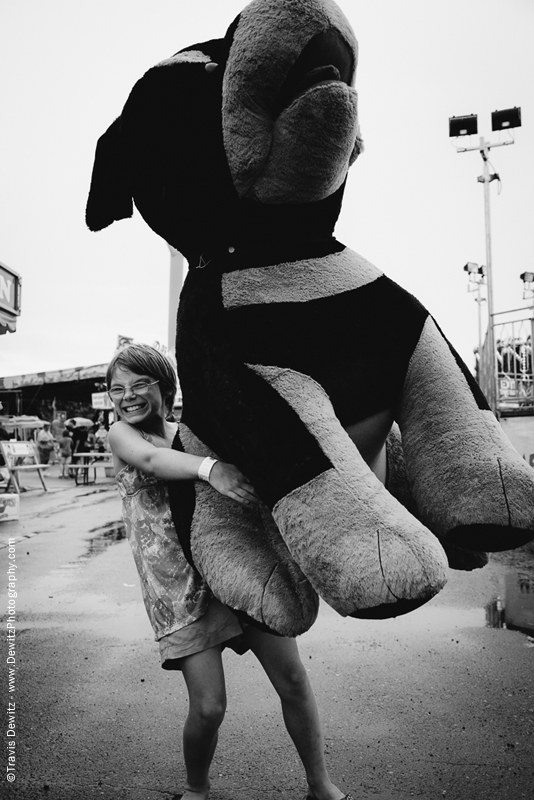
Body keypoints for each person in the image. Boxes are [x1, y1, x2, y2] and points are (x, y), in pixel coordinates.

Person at [106, 343, 349, 800]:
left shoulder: (192, 432)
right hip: (177, 588)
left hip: (236, 568)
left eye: (140, 384)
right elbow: (155, 462)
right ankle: (197, 789)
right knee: (209, 707)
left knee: (293, 680)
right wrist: (211, 468)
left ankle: (321, 785)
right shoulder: (121, 435)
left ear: (165, 386)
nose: (128, 396)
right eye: (117, 388)